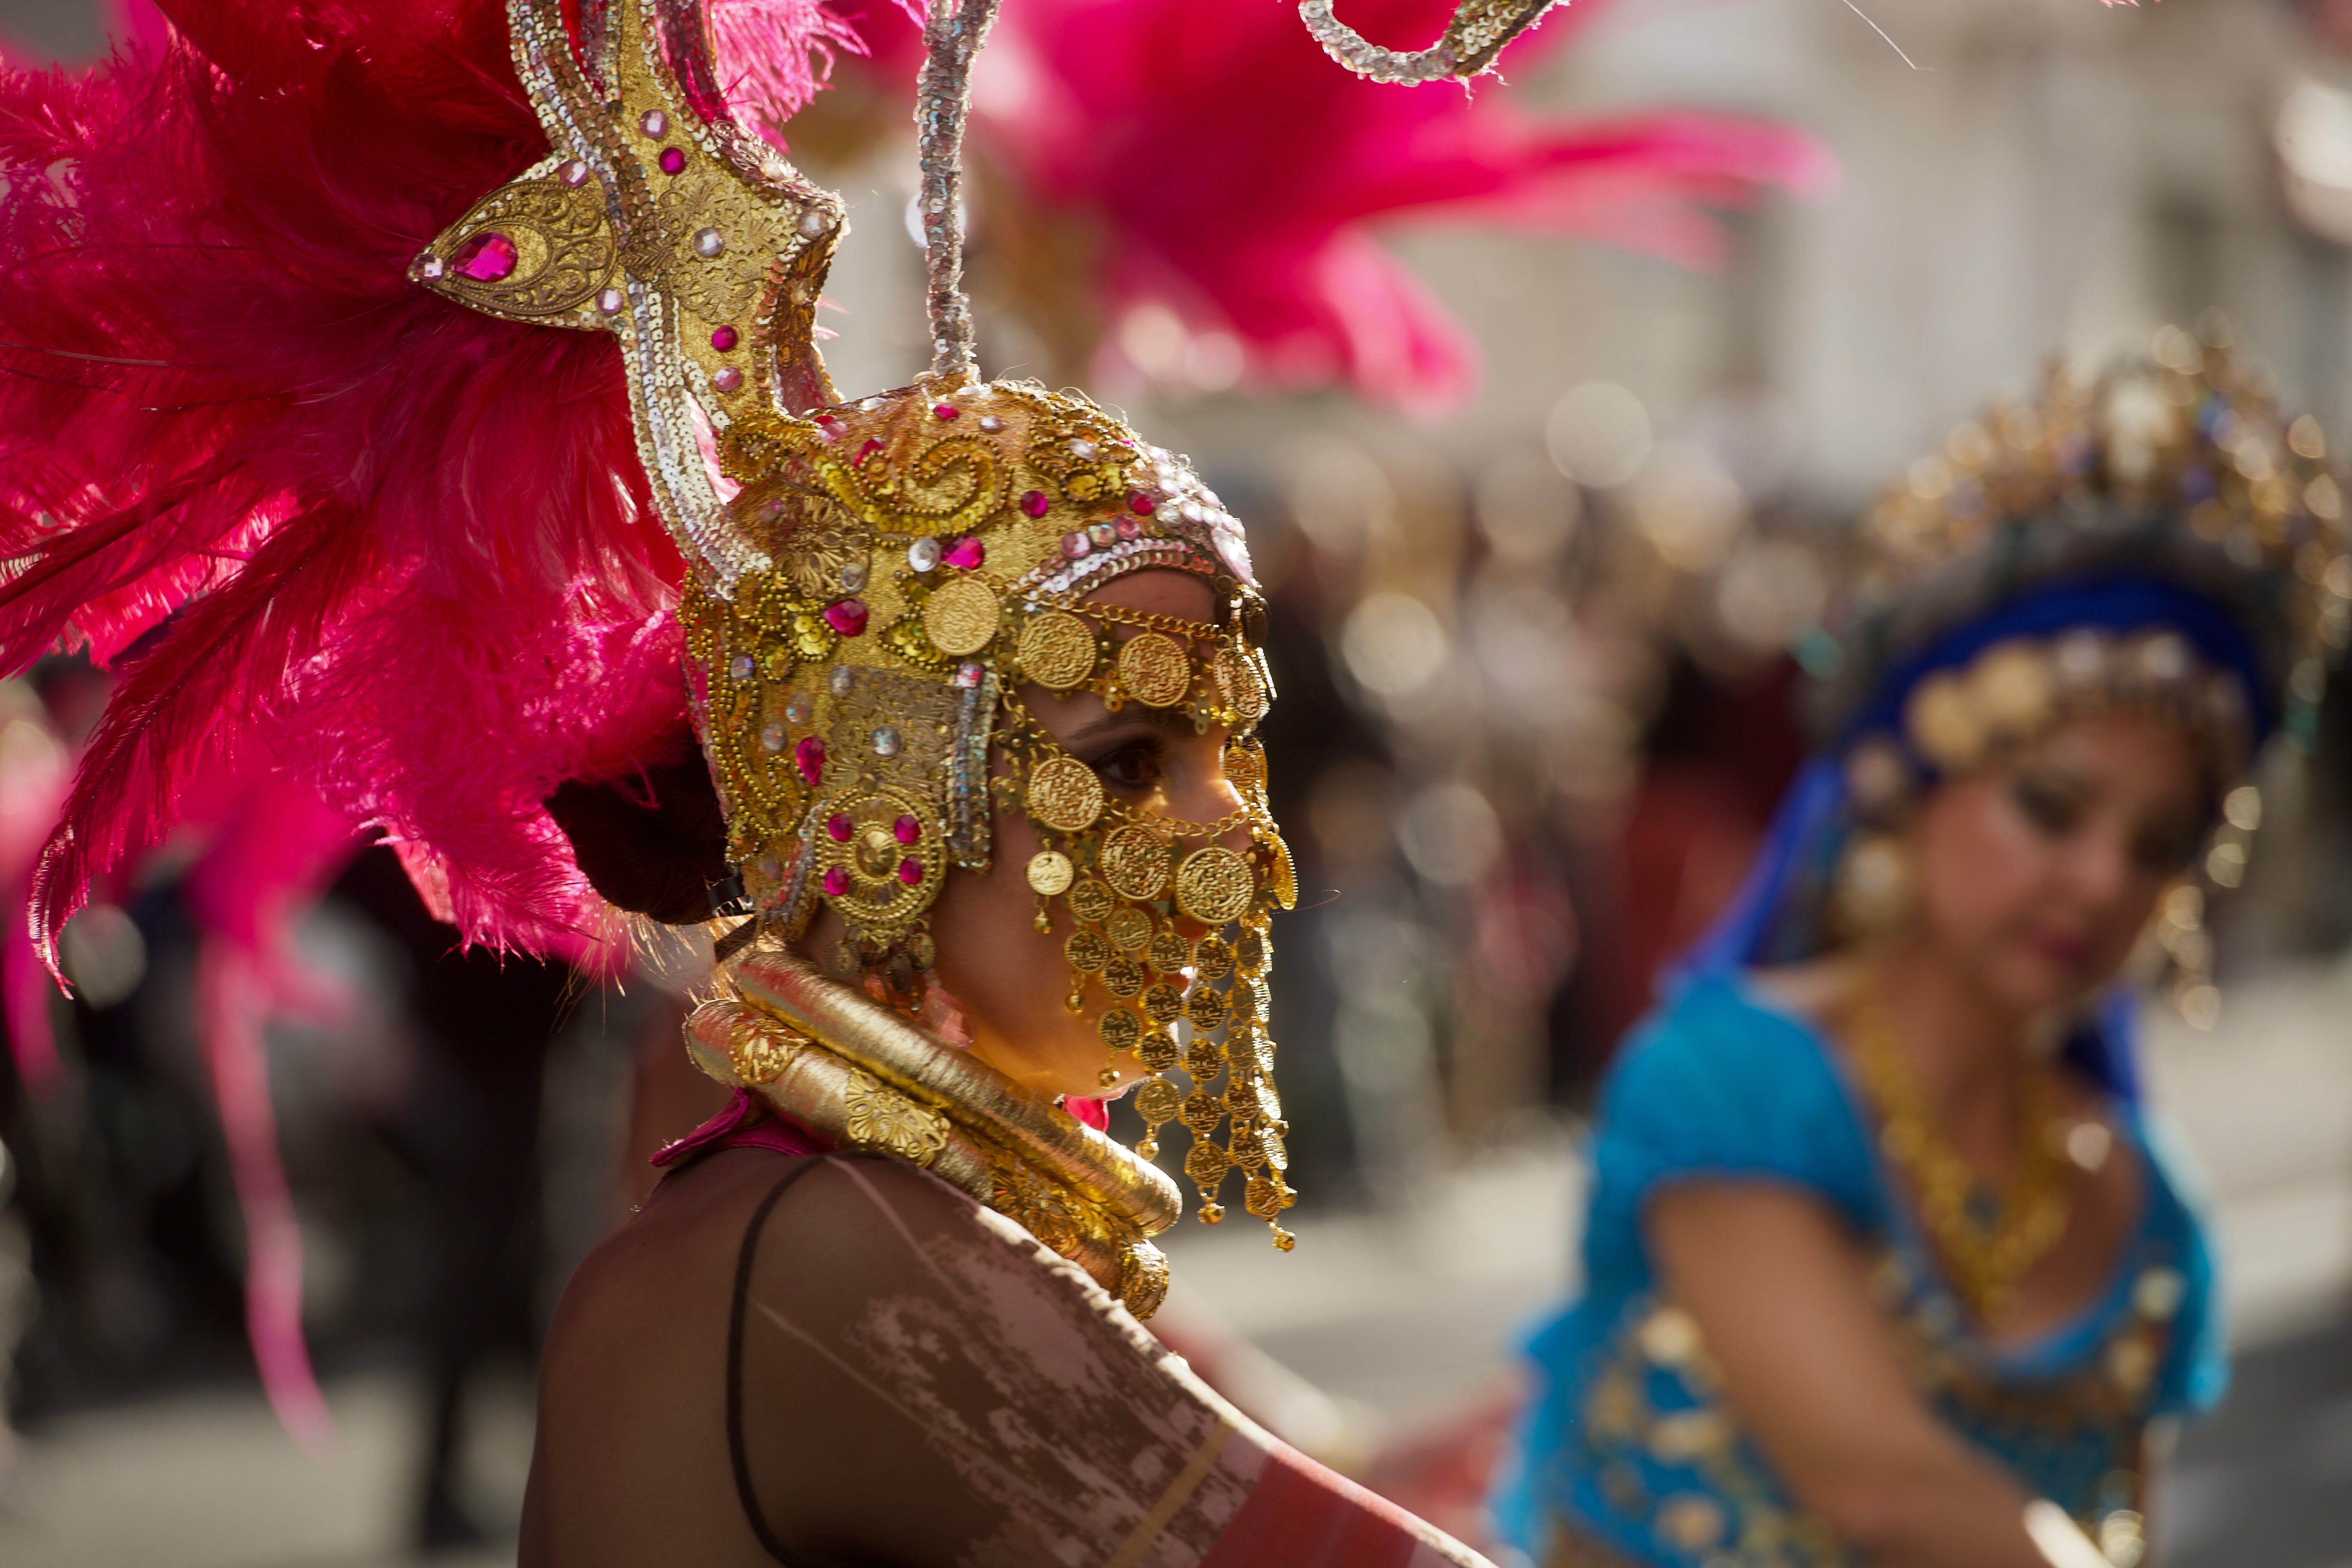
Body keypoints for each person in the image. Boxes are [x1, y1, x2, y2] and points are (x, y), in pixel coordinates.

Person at [0, 0, 1577, 1560]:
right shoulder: (837, 1254)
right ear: (891, 807)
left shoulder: (864, 1206)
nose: (1241, 838)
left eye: (1231, 747)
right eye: (1134, 758)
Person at [1489, 334, 2346, 1568]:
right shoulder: (1734, 1082)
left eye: (2156, 843)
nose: (2100, 879)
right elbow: (1886, 1488)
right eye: (2051, 807)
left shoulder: (2144, 1203)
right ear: (1909, 788)